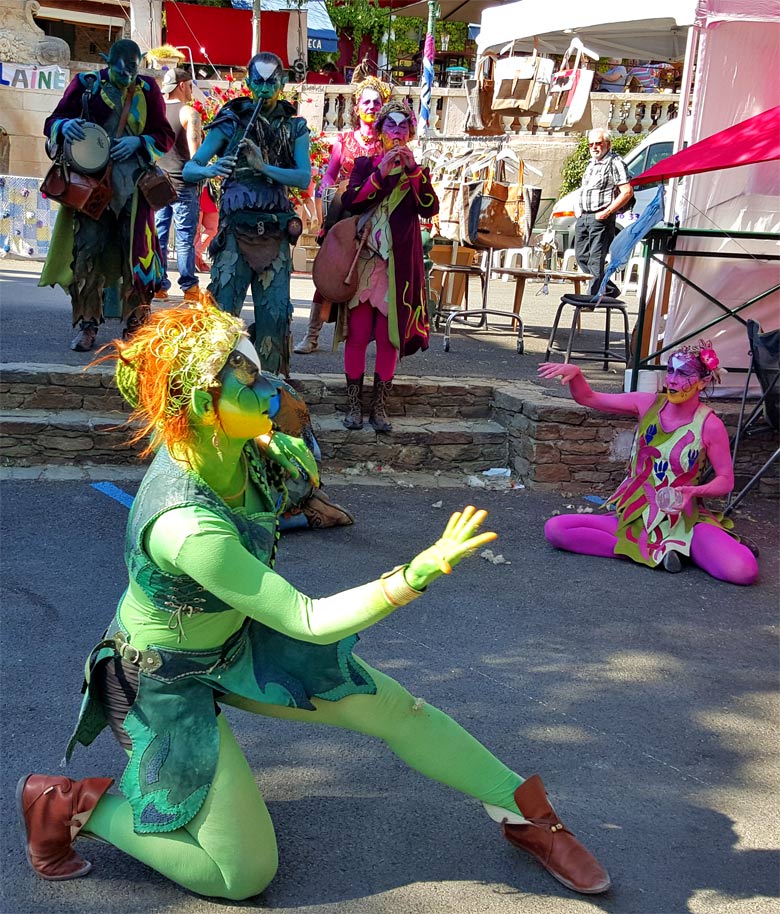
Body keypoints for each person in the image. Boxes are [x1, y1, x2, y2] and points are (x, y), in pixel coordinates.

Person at [17, 300, 611, 900]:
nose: (272, 385)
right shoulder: (186, 527)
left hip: (236, 638)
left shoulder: (242, 446)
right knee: (241, 875)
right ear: (203, 404)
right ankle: (71, 805)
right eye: (249, 377)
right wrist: (417, 572)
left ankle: (525, 813)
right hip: (158, 680)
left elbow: (295, 478)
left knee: (395, 709)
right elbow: (310, 620)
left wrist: (284, 445)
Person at [539, 343, 759, 585]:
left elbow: (725, 481)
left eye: (684, 373)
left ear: (703, 382)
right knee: (556, 530)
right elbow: (588, 397)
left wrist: (694, 491)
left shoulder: (710, 425)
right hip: (636, 517)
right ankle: (659, 550)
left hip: (684, 518)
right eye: (671, 371)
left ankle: (672, 547)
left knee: (743, 571)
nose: (673, 380)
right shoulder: (646, 403)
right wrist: (576, 374)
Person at [39, 39, 175, 352]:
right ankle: (87, 326)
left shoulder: (148, 90)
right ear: (108, 63)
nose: (127, 77)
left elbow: (164, 136)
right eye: (121, 71)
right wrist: (67, 124)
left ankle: (136, 325)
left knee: (138, 258)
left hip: (134, 190)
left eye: (133, 71)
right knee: (87, 256)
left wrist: (139, 143)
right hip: (91, 189)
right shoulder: (86, 84)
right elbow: (52, 122)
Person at [182, 52, 310, 377]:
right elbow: (189, 168)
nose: (264, 88)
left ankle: (267, 386)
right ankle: (215, 383)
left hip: (273, 231)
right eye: (258, 81)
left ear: (281, 83)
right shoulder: (232, 119)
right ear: (249, 82)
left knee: (276, 315)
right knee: (223, 310)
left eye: (271, 82)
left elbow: (303, 177)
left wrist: (263, 168)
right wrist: (212, 168)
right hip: (235, 232)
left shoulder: (293, 126)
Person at [338, 99, 438, 433]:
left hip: (398, 269)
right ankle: (354, 406)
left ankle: (379, 408)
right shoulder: (365, 165)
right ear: (380, 132)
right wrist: (380, 174)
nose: (396, 133)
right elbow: (352, 201)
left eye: (402, 127)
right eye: (390, 126)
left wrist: (412, 173)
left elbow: (429, 208)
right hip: (365, 262)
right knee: (357, 334)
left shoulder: (418, 171)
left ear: (410, 132)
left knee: (388, 337)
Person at [293, 76, 390, 355]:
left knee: (369, 279)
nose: (371, 107)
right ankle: (311, 335)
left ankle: (360, 340)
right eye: (367, 102)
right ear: (357, 107)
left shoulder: (387, 144)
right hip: (341, 215)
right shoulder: (343, 141)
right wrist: (323, 209)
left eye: (377, 102)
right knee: (330, 275)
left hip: (375, 220)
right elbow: (329, 178)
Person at [154, 67, 202, 303]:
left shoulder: (157, 112)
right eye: (190, 85)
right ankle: (189, 288)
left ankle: (159, 286)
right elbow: (195, 153)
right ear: (182, 85)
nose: (191, 90)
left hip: (158, 181)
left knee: (159, 235)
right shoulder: (189, 113)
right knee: (184, 237)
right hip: (183, 183)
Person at [574, 128, 633, 299]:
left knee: (595, 259)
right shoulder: (591, 163)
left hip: (601, 218)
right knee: (581, 257)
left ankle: (591, 299)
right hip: (584, 216)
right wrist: (578, 208)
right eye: (591, 144)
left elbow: (627, 191)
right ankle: (609, 288)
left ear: (607, 144)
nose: (594, 147)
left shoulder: (615, 162)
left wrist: (607, 212)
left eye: (598, 143)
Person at [194, 180, 219, 273]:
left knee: (212, 228)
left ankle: (196, 255)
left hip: (206, 192)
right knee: (201, 229)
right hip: (203, 191)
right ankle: (196, 257)